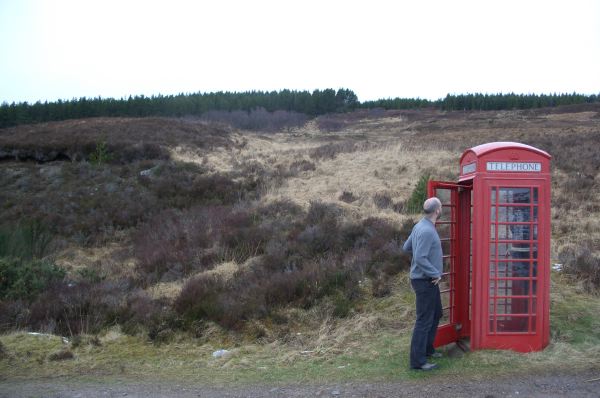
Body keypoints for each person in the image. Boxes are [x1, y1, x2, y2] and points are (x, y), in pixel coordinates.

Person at [402, 197, 444, 371]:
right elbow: (419, 257)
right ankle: (417, 362)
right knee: (423, 320)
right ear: (437, 211)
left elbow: (406, 247)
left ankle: (427, 349)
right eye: (440, 206)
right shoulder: (427, 230)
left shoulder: (419, 225)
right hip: (425, 281)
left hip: (426, 280)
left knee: (436, 314)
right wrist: (434, 273)